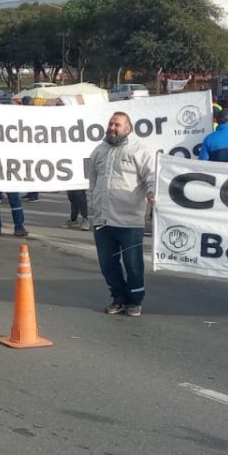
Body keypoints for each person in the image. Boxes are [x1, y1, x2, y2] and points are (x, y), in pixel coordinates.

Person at [87, 112, 157, 317]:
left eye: (117, 125)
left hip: (129, 220)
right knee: (107, 263)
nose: (112, 128)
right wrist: (93, 205)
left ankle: (135, 301)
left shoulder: (140, 151)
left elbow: (152, 176)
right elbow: (92, 181)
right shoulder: (99, 151)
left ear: (128, 128)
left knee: (133, 264)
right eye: (110, 123)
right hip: (103, 219)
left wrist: (153, 194)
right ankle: (118, 298)